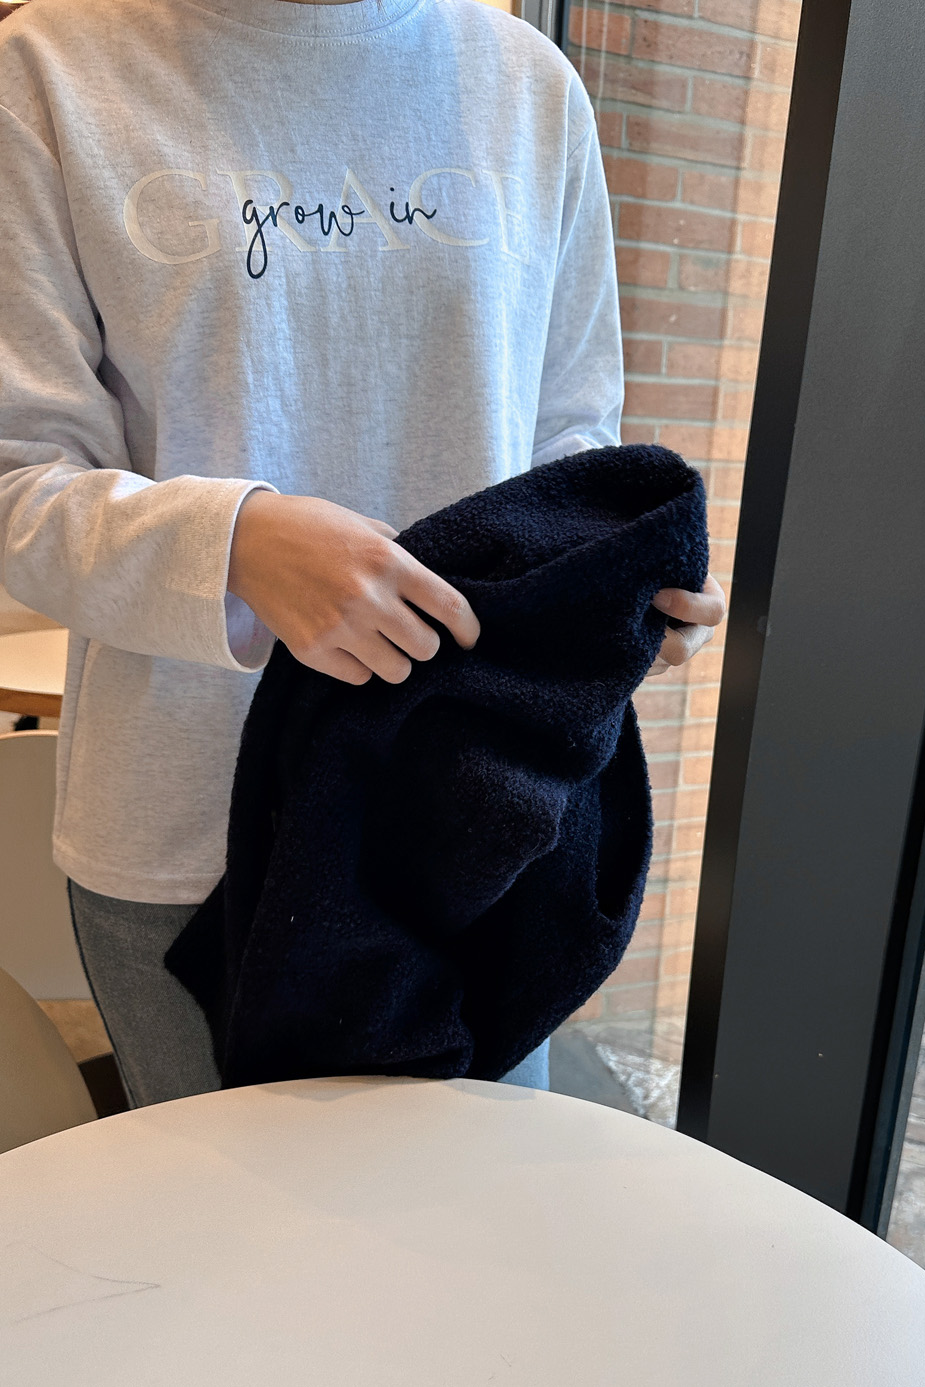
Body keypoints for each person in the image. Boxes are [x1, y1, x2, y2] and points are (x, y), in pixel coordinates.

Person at [0, 0, 725, 1107]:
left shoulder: (529, 87)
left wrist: (610, 581)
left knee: (467, 1210)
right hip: (187, 830)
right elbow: (17, 483)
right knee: (218, 1219)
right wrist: (239, 545)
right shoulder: (50, 70)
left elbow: (565, 442)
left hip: (479, 821)